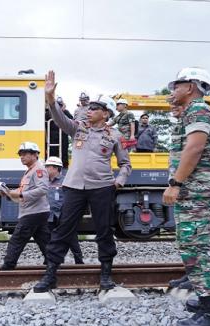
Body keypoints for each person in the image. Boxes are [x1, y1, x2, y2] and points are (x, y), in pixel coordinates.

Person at [33, 70, 131, 293]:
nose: (89, 110)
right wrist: (50, 98)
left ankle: (106, 273)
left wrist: (119, 182)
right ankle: (50, 274)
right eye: (89, 107)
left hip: (103, 187)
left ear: (106, 114)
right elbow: (59, 118)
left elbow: (126, 163)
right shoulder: (78, 128)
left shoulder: (115, 136)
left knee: (104, 230)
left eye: (95, 108)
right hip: (74, 186)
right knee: (63, 229)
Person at [162, 67, 210, 326]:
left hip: (195, 189)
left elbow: (195, 147)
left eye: (176, 86)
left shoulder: (198, 110)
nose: (172, 91)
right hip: (198, 189)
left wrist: (176, 183)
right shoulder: (193, 111)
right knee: (202, 248)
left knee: (196, 250)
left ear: (191, 86)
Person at [1, 142, 51, 270]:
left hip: (33, 212)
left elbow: (43, 189)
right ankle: (53, 264)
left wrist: (21, 195)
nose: (21, 157)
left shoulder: (38, 170)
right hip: (36, 211)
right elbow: (22, 192)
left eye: (25, 154)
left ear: (35, 155)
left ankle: (7, 268)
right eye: (20, 154)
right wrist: (7, 193)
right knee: (44, 240)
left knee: (17, 240)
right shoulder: (29, 172)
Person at [44, 156, 84, 264]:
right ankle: (49, 261)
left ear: (56, 168)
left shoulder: (66, 181)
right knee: (49, 239)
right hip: (50, 216)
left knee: (72, 239)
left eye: (48, 167)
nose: (45, 169)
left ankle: (79, 261)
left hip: (64, 216)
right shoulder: (44, 182)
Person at [45, 97, 72, 167]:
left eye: (60, 105)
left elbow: (71, 120)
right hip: (52, 135)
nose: (58, 107)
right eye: (57, 105)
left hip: (63, 134)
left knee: (64, 150)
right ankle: (51, 165)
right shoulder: (48, 113)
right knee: (52, 151)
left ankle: (64, 165)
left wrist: (63, 112)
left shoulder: (65, 112)